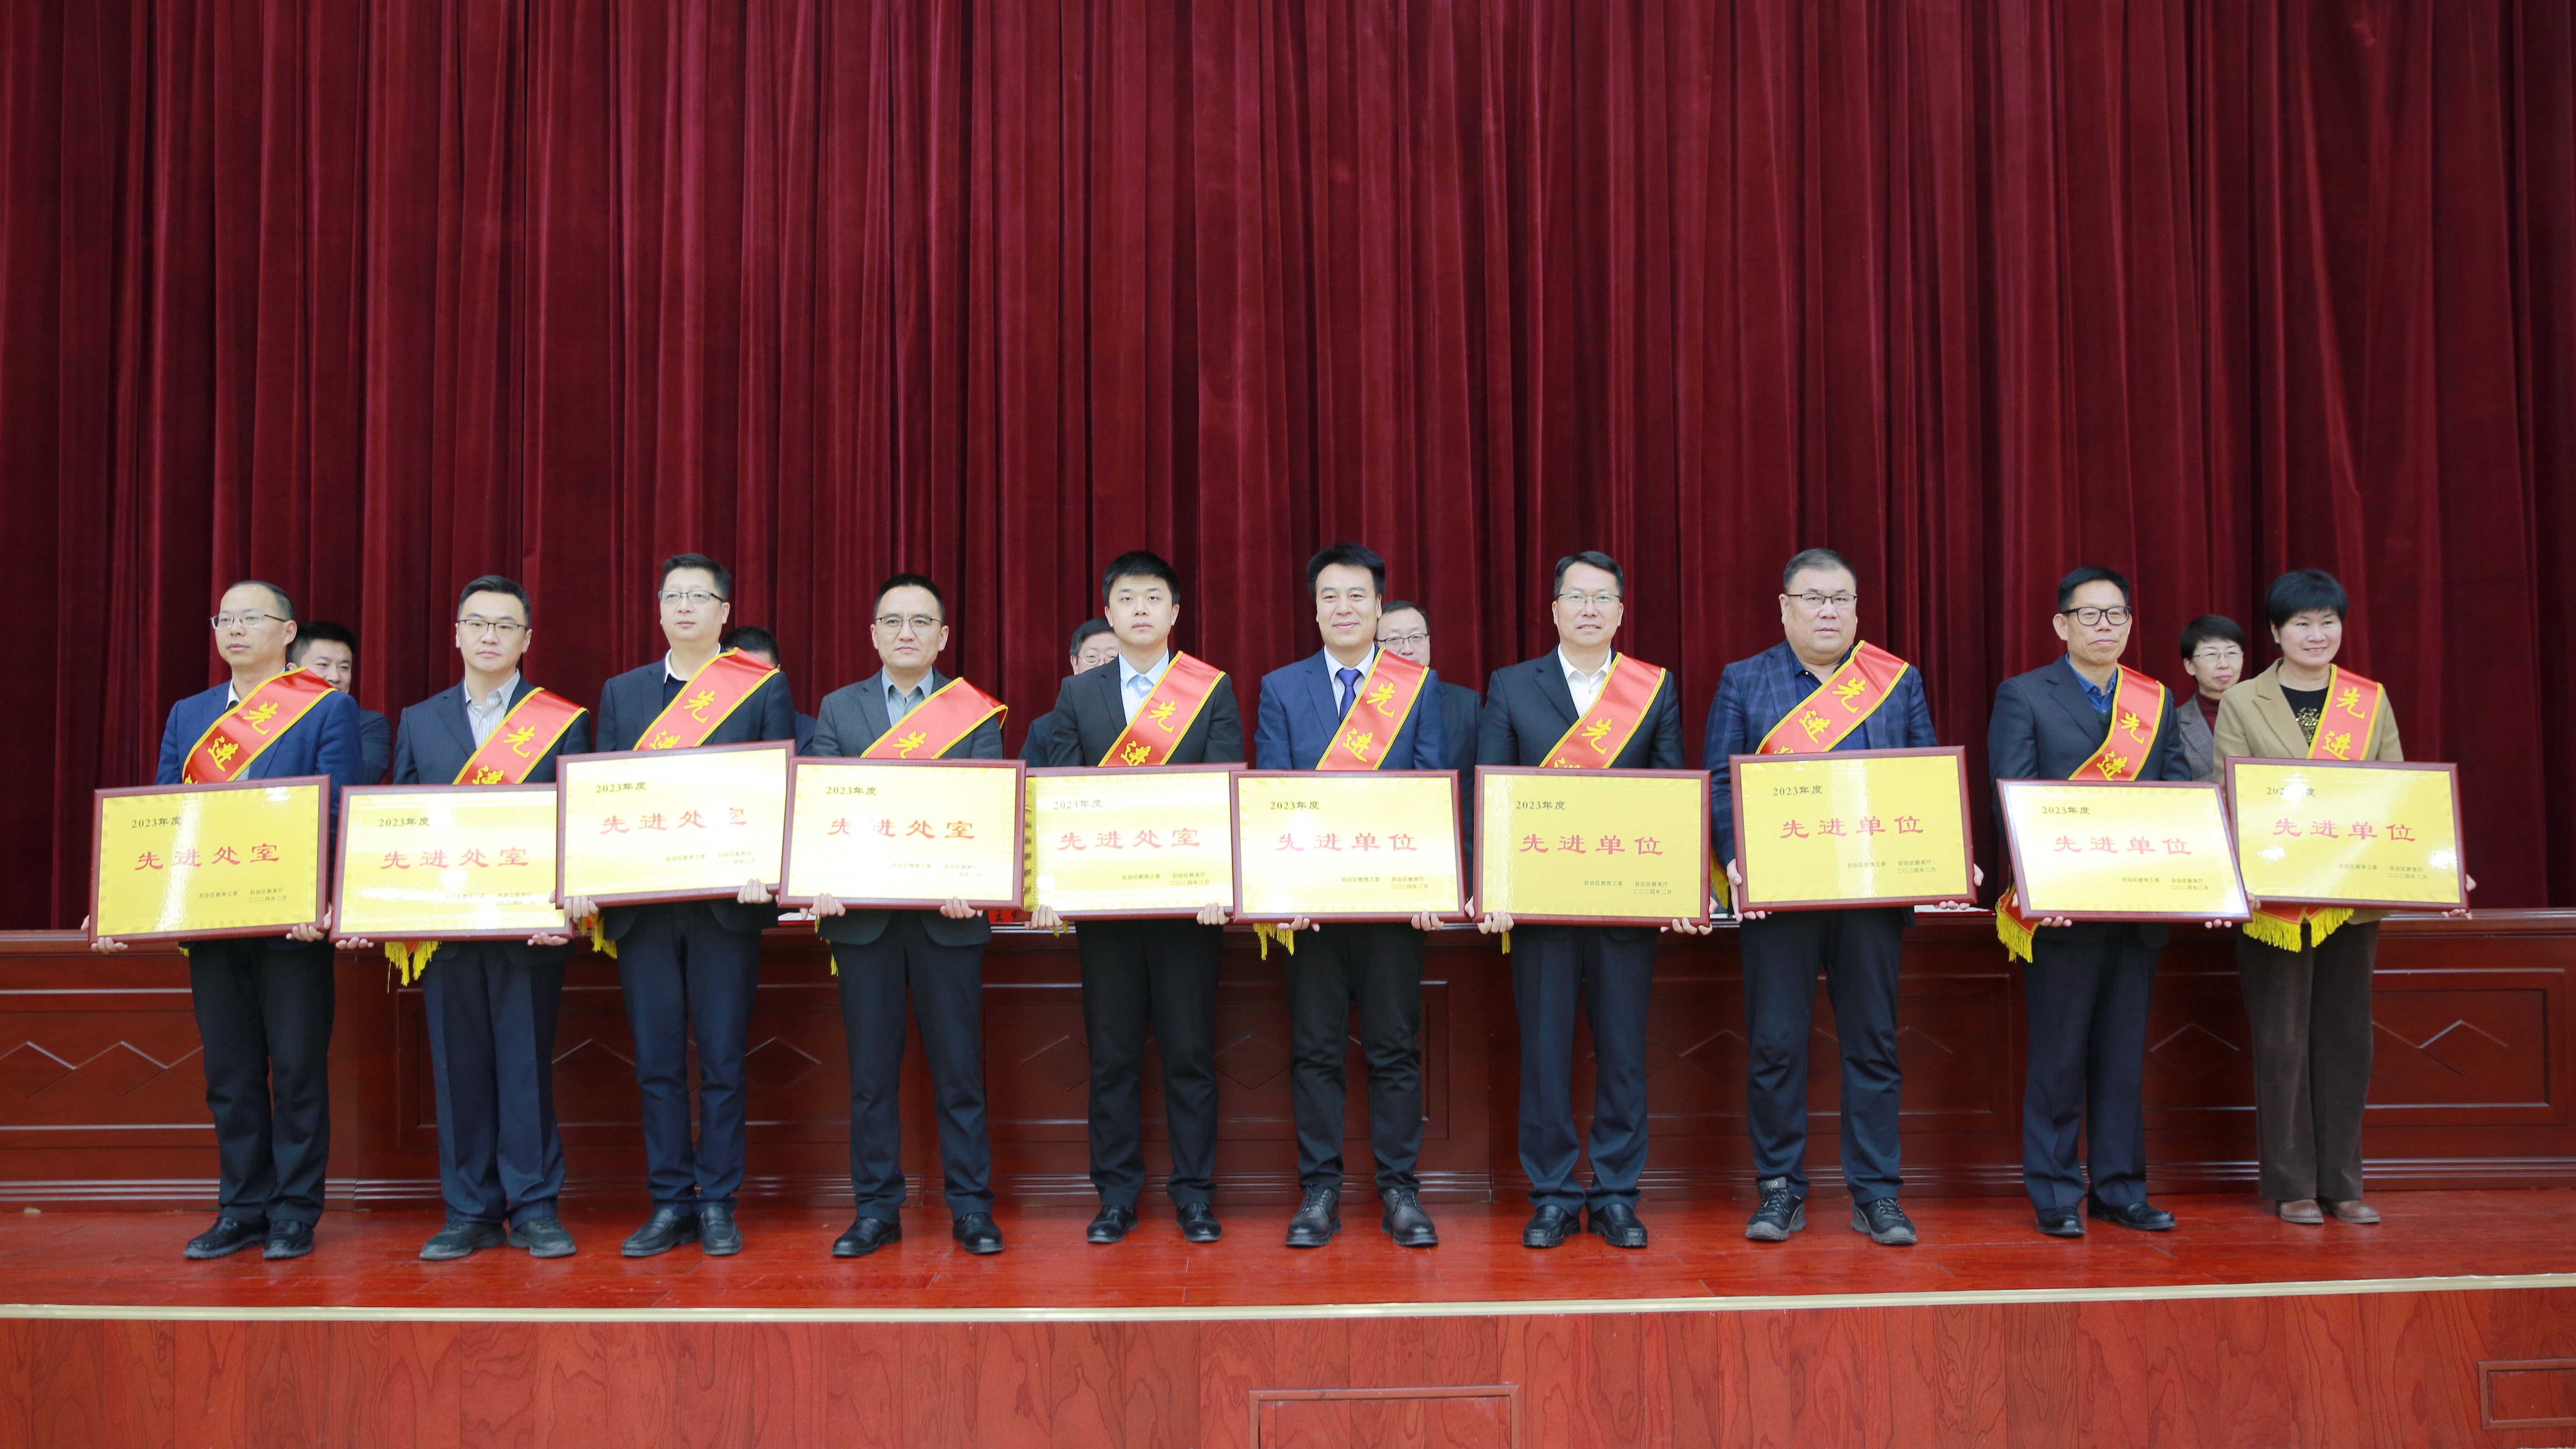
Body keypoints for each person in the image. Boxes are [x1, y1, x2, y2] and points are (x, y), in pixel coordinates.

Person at [93, 581, 365, 1261]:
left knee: (297, 1069)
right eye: (224, 619)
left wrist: (322, 900)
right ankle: (241, 1207)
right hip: (213, 922)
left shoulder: (326, 707)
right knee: (231, 1072)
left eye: (251, 618)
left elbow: (338, 811)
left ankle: (294, 1210)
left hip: (293, 925)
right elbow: (163, 812)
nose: (235, 629)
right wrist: (122, 894)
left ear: (287, 631)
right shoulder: (190, 714)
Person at [1704, 547, 1965, 1249]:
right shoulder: (1744, 679)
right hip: (1778, 899)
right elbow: (1719, 782)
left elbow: (1922, 776)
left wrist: (1944, 848)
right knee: (1776, 1045)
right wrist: (1734, 858)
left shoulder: (1895, 680)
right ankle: (1779, 1187)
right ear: (1784, 607)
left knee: (1873, 1045)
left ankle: (1876, 1191)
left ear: (1855, 609)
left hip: (1870, 899)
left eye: (1841, 599)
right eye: (1814, 598)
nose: (1829, 611)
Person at [341, 575, 591, 1261]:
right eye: (477, 623)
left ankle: (535, 1207)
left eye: (505, 625)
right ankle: (469, 1210)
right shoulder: (420, 719)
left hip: (530, 928)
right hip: (447, 927)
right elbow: (401, 821)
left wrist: (567, 907)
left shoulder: (561, 719)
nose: (490, 636)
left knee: (525, 1067)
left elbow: (577, 821)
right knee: (458, 1071)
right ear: (455, 634)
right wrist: (378, 903)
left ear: (527, 639)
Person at [2216, 569, 2471, 1226]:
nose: (2316, 634)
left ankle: (2342, 1181)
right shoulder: (2243, 700)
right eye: (2301, 622)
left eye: (2327, 621)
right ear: (2275, 632)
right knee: (2280, 1041)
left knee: (2345, 1039)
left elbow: (2397, 794)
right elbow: (2229, 797)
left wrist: (2439, 865)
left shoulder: (2368, 699)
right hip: (2275, 902)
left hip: (2352, 898)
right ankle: (2291, 1183)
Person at [564, 554, 796, 1258]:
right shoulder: (623, 691)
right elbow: (604, 794)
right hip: (646, 908)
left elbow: (779, 787)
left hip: (727, 905)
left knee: (723, 1058)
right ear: (659, 609)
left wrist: (768, 869)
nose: (686, 607)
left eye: (700, 596)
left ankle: (719, 1200)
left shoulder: (760, 687)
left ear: (725, 613)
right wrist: (589, 874)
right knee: (658, 1061)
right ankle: (671, 1201)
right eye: (674, 596)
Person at [1473, 551, 1702, 1250]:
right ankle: (1550, 1194)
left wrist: (1680, 884)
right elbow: (1490, 790)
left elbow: (1670, 790)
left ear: (1621, 612)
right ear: (1554, 610)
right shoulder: (1513, 685)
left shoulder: (1652, 687)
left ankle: (1615, 1195)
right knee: (1545, 1055)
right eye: (1576, 596)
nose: (1590, 609)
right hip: (1539, 909)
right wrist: (1493, 884)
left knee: (1623, 1053)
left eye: (1603, 598)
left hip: (1623, 906)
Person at [1987, 567, 2203, 1239]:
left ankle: (2119, 1190)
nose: (2104, 626)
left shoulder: (2153, 699)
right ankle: (2056, 1192)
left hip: (2136, 911)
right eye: (2089, 614)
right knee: (2058, 1059)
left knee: (2121, 1058)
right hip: (2061, 910)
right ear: (2062, 624)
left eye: (2116, 614)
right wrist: (2038, 884)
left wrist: (2191, 880)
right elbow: (2012, 795)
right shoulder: (2024, 694)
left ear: (2130, 623)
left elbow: (2176, 799)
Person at [1035, 551, 1243, 1246]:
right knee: (1113, 1058)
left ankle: (1195, 1194)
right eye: (1127, 598)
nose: (1141, 609)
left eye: (1154, 597)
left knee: (1189, 1055)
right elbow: (1062, 793)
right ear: (1109, 611)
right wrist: (1060, 885)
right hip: (1109, 912)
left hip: (1188, 911)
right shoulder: (1078, 694)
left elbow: (1225, 791)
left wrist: (1218, 884)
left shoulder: (1208, 688)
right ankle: (1116, 1195)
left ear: (1175, 612)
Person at [1253, 544, 1450, 1250]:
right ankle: (1320, 1190)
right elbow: (1274, 793)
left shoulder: (1415, 685)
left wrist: (1432, 883)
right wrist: (1283, 888)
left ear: (1377, 605)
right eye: (1330, 596)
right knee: (1315, 1050)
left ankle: (1400, 1189)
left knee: (1394, 1049)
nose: (1344, 607)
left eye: (1357, 595)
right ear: (1314, 609)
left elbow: (1430, 787)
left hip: (1392, 907)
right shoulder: (1281, 687)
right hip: (1310, 910)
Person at [806, 573, 1008, 1259]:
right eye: (892, 620)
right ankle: (876, 1210)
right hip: (863, 922)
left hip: (948, 918)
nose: (906, 632)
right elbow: (825, 810)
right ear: (873, 634)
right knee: (870, 1077)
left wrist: (972, 881)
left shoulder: (972, 712)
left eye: (921, 621)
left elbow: (984, 812)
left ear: (943, 636)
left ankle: (971, 1207)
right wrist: (822, 880)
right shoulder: (839, 708)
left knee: (959, 1072)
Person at [289, 620, 392, 783]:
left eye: (344, 667)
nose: (335, 677)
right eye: (323, 665)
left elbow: (357, 780)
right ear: (293, 672)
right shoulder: (269, 721)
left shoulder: (369, 724)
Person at [1021, 619, 1118, 764]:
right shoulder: (1043, 729)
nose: (1102, 666)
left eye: (1112, 658)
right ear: (1075, 664)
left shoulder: (1138, 719)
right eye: (1092, 658)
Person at [2174, 615, 2247, 783]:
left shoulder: (2262, 713)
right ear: (2190, 666)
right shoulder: (2174, 724)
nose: (2224, 664)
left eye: (2232, 653)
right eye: (2212, 655)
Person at [723, 626, 816, 754]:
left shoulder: (808, 734)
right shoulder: (704, 726)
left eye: (759, 676)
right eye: (738, 674)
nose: (749, 687)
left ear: (777, 673)